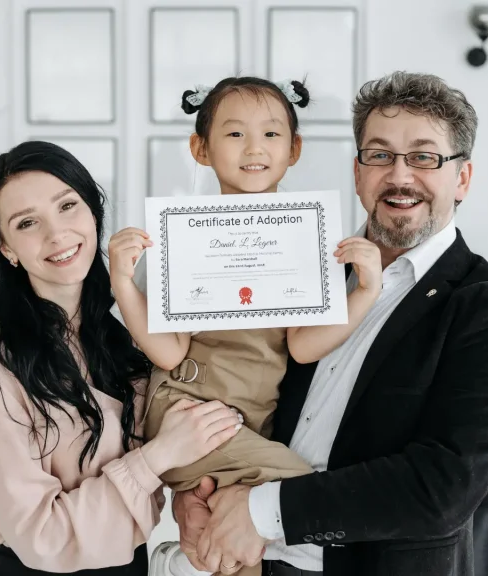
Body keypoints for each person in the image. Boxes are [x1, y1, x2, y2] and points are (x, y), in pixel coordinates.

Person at [171, 71, 488, 576]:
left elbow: (441, 490)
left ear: (462, 178)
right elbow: (230, 379)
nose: (400, 175)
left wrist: (258, 513)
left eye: (424, 157)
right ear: (357, 171)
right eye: (380, 154)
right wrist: (196, 495)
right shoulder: (294, 266)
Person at [106, 76, 384, 576]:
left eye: (272, 135)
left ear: (294, 149)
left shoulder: (307, 241)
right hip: (186, 415)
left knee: (244, 547)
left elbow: (303, 347)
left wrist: (365, 291)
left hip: (247, 425)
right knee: (305, 493)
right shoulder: (183, 237)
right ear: (200, 148)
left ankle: (184, 563)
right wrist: (124, 283)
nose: (255, 148)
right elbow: (168, 354)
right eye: (235, 134)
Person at [0, 140, 244, 576]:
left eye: (68, 206)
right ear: (6, 248)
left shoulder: (133, 329)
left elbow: (174, 440)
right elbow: (42, 536)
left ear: (93, 210)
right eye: (28, 222)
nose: (57, 235)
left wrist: (190, 499)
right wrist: (156, 458)